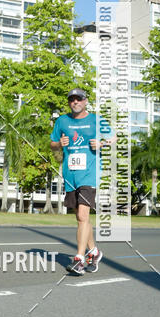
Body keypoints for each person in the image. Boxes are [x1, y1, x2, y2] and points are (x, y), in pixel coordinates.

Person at [50, 87, 109, 275]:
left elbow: (114, 138)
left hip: (89, 174)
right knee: (81, 218)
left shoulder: (96, 120)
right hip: (70, 175)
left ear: (85, 101)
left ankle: (79, 260)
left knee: (83, 216)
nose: (75, 102)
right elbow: (52, 144)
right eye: (72, 99)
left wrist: (102, 143)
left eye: (79, 99)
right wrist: (59, 144)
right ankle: (94, 252)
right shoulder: (62, 121)